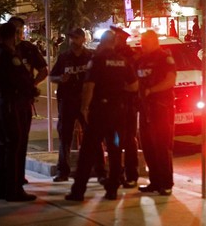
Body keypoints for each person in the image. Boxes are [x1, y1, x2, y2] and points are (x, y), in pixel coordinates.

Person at [65, 30, 138, 201]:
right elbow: (134, 86)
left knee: (87, 151)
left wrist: (84, 108)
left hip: (100, 112)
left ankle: (78, 191)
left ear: (103, 42)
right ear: (114, 42)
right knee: (115, 151)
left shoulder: (97, 60)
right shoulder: (122, 61)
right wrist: (119, 89)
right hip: (118, 112)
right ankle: (112, 190)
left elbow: (89, 86)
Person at [0, 23, 37, 201]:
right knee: (14, 145)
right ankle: (13, 189)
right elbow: (20, 80)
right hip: (11, 104)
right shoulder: (8, 55)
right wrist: (32, 91)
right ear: (13, 35)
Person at [50, 28, 106, 183]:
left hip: (87, 102)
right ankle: (63, 171)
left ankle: (101, 171)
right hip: (67, 102)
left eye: (76, 38)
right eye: (71, 38)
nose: (72, 41)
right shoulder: (63, 57)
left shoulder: (90, 56)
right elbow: (52, 77)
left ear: (83, 39)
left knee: (93, 136)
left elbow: (100, 78)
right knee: (65, 137)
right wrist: (61, 78)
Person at [8, 16, 48, 185]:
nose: (17, 34)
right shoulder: (1, 49)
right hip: (5, 101)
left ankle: (18, 176)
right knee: (6, 141)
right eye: (14, 30)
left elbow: (43, 70)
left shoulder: (28, 49)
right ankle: (6, 177)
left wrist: (31, 85)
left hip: (23, 100)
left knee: (22, 139)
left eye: (20, 30)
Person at [136, 30, 177, 196]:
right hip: (145, 109)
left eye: (144, 41)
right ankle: (154, 181)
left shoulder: (164, 58)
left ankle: (166, 183)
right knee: (147, 146)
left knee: (162, 146)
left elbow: (170, 80)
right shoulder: (141, 60)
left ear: (154, 42)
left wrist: (151, 91)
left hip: (161, 107)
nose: (142, 44)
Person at [111, 25, 140, 188]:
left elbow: (134, 81)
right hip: (114, 104)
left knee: (129, 140)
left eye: (117, 38)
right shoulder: (112, 55)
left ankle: (131, 174)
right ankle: (117, 174)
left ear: (122, 39)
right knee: (115, 141)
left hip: (128, 103)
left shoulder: (131, 56)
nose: (115, 40)